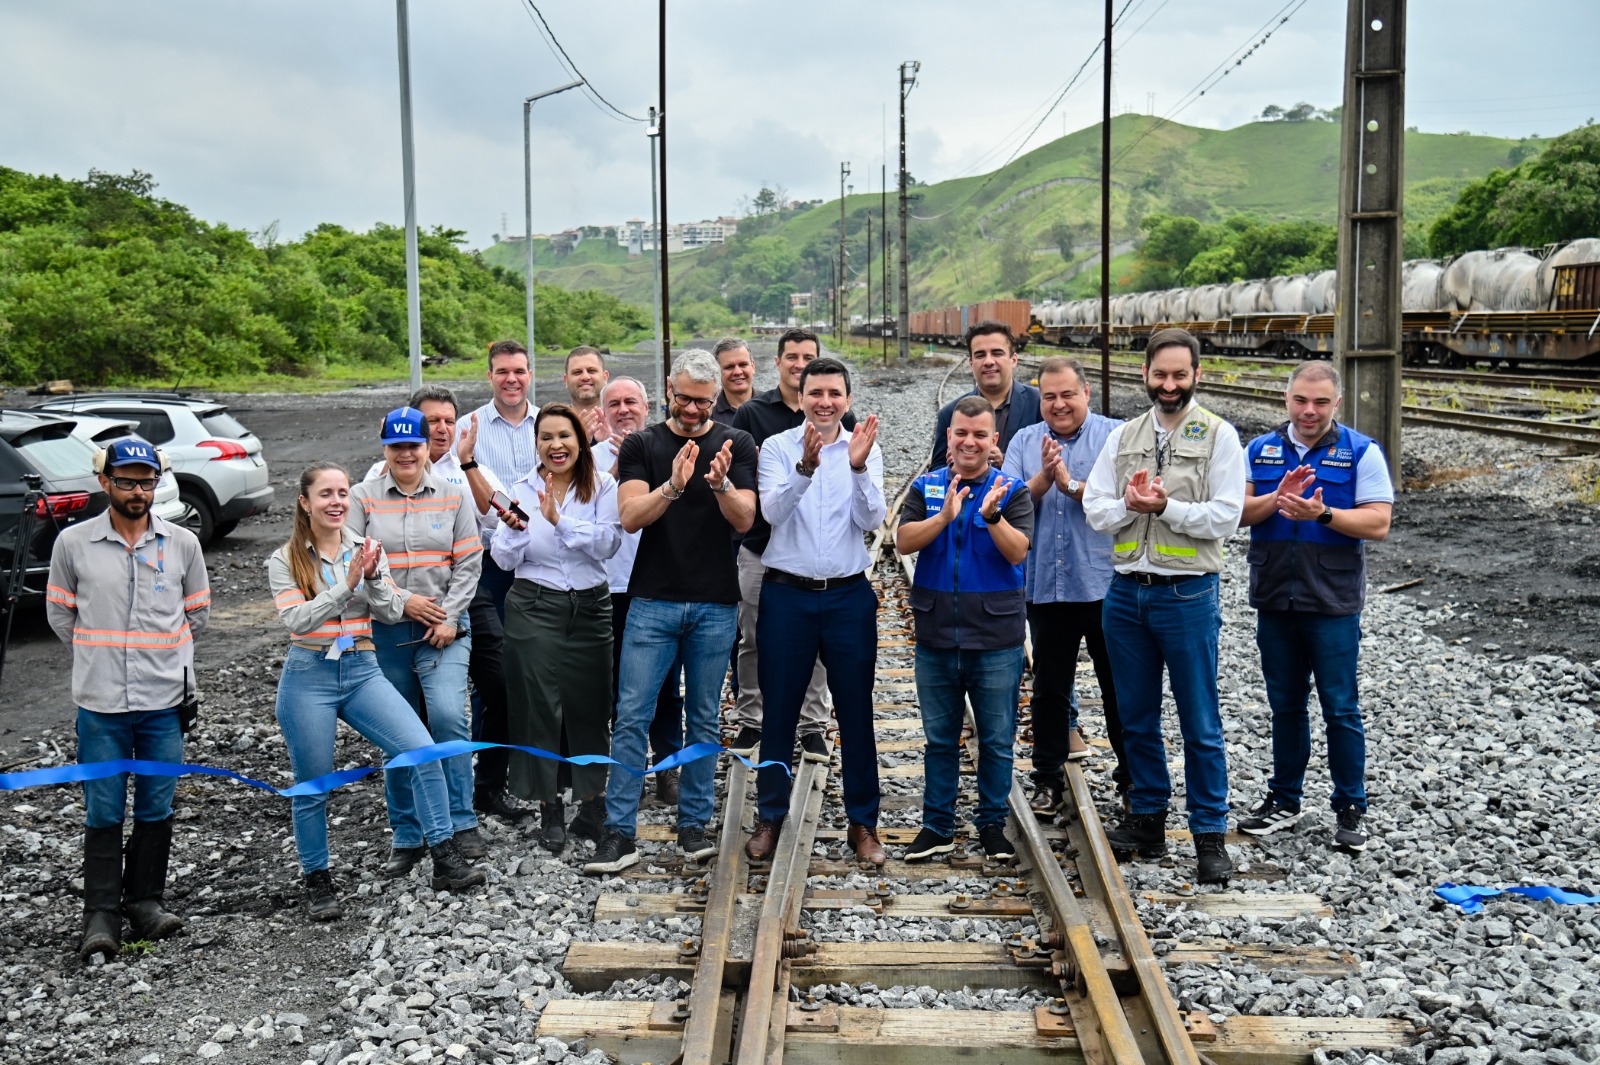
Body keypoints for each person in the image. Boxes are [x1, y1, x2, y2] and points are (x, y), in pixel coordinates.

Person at [268, 463, 485, 921]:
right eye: (325, 494)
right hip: (309, 676)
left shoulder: (366, 549)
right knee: (313, 783)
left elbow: (387, 611)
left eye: (342, 493)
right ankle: (317, 879)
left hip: (361, 668)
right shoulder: (284, 559)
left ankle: (444, 855)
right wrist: (347, 585)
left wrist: (370, 579)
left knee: (421, 750)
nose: (336, 502)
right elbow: (297, 620)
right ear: (305, 503)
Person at [585, 350, 758, 874]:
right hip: (652, 601)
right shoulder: (642, 444)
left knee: (703, 717)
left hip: (714, 603)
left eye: (703, 402)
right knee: (632, 716)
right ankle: (620, 831)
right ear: (668, 389)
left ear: (714, 399)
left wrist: (719, 483)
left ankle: (693, 824)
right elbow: (631, 515)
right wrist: (675, 485)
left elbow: (745, 519)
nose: (693, 410)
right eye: (684, 399)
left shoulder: (736, 442)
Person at [1084, 327, 1246, 885]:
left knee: (1199, 720)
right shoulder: (1123, 435)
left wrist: (1166, 508)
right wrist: (1130, 506)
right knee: (1135, 716)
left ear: (1197, 375)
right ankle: (1148, 819)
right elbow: (1095, 508)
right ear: (1145, 374)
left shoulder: (1220, 436)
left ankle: (1209, 835)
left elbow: (1227, 516)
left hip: (1187, 595)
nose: (1169, 385)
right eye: (1160, 374)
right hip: (1126, 594)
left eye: (1180, 375)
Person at [46, 437, 211, 961]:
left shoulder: (182, 544)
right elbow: (60, 615)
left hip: (164, 704)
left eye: (147, 482)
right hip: (100, 706)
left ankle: (144, 902)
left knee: (157, 806)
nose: (137, 491)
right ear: (105, 482)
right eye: (126, 482)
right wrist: (100, 659)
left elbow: (198, 615)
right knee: (103, 808)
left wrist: (159, 660)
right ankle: (100, 914)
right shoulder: (73, 544)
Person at [1237, 361, 1393, 852]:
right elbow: (1236, 513)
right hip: (1275, 599)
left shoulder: (1362, 451)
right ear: (1286, 399)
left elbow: (1378, 523)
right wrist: (1275, 500)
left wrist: (1322, 513)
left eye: (1321, 402)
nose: (1309, 411)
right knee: (1285, 705)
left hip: (1332, 602)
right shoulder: (1258, 450)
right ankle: (1285, 800)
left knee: (1340, 708)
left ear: (1337, 403)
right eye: (1301, 400)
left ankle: (1351, 807)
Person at [745, 358, 887, 865]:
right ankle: (770, 815)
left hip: (848, 596)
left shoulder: (864, 447)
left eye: (834, 393)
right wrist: (805, 468)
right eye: (816, 393)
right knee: (779, 709)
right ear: (800, 397)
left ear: (847, 399)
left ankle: (863, 822)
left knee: (855, 709)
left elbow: (872, 519)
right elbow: (772, 513)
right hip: (788, 595)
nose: (825, 402)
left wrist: (858, 467)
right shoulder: (777, 448)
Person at [895, 397, 1034, 863]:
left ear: (994, 440)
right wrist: (943, 518)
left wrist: (992, 517)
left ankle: (992, 825)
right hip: (936, 636)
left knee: (996, 740)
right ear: (948, 437)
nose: (968, 442)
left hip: (995, 639)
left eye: (979, 435)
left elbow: (1017, 552)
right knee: (940, 740)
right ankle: (937, 827)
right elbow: (903, 541)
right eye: (960, 433)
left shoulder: (1012, 491)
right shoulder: (927, 487)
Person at [350, 406, 486, 876]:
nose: (405, 454)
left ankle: (461, 822)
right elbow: (355, 566)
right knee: (399, 732)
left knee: (448, 717)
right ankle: (407, 834)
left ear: (428, 447)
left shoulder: (454, 496)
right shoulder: (361, 498)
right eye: (397, 446)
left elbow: (469, 563)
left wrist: (450, 617)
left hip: (444, 631)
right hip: (385, 633)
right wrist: (403, 602)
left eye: (414, 445)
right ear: (384, 447)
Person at [493, 404, 622, 852]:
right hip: (534, 604)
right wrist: (514, 530)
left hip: (591, 607)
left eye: (564, 435)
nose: (556, 445)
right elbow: (504, 560)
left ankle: (591, 804)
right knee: (539, 706)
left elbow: (609, 543)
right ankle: (549, 806)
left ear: (580, 442)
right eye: (546, 437)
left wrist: (559, 521)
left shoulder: (603, 485)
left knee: (591, 704)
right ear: (537, 445)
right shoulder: (519, 490)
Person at [1002, 357, 1128, 816]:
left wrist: (1070, 484)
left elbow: (1123, 501)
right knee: (1050, 688)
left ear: (1086, 393)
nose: (1058, 404)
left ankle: (1133, 780)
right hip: (1047, 586)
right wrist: (1042, 479)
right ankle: (1047, 779)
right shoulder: (1024, 440)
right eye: (1049, 396)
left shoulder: (1116, 436)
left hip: (1106, 585)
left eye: (1067, 395)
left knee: (1119, 687)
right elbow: (1008, 501)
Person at [728, 329, 853, 759]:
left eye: (808, 357)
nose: (800, 364)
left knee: (815, 643)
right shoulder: (753, 413)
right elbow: (744, 478)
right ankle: (752, 719)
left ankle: (812, 724)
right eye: (793, 357)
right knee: (753, 638)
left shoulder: (838, 415)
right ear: (778, 362)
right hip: (762, 547)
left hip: (814, 552)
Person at [593, 377, 686, 815]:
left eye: (631, 401)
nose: (623, 409)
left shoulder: (665, 449)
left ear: (648, 407)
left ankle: (668, 766)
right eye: (614, 403)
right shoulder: (589, 458)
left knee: (666, 686)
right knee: (616, 688)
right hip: (607, 587)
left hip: (657, 584)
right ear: (603, 411)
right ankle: (624, 770)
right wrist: (612, 475)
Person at [462, 340, 540, 820]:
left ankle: (532, 767)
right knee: (491, 673)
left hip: (540, 562)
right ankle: (488, 777)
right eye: (502, 371)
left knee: (536, 665)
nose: (511, 379)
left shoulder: (547, 424)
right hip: (490, 561)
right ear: (489, 375)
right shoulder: (468, 428)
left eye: (519, 371)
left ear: (530, 374)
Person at [929, 320, 1042, 468]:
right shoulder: (949, 414)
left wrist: (1006, 462)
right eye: (980, 355)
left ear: (1013, 360)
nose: (988, 361)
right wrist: (954, 468)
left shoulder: (1038, 404)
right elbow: (935, 470)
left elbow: (1053, 459)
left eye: (997, 353)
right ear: (971, 363)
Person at [564, 346, 611, 442]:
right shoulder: (555, 424)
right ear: (566, 380)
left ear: (605, 377)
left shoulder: (620, 421)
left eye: (591, 371)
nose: (585, 377)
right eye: (577, 372)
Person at [710, 337, 756, 425]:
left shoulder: (772, 406)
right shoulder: (707, 413)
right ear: (716, 371)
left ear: (753, 367)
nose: (738, 372)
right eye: (729, 367)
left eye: (743, 365)